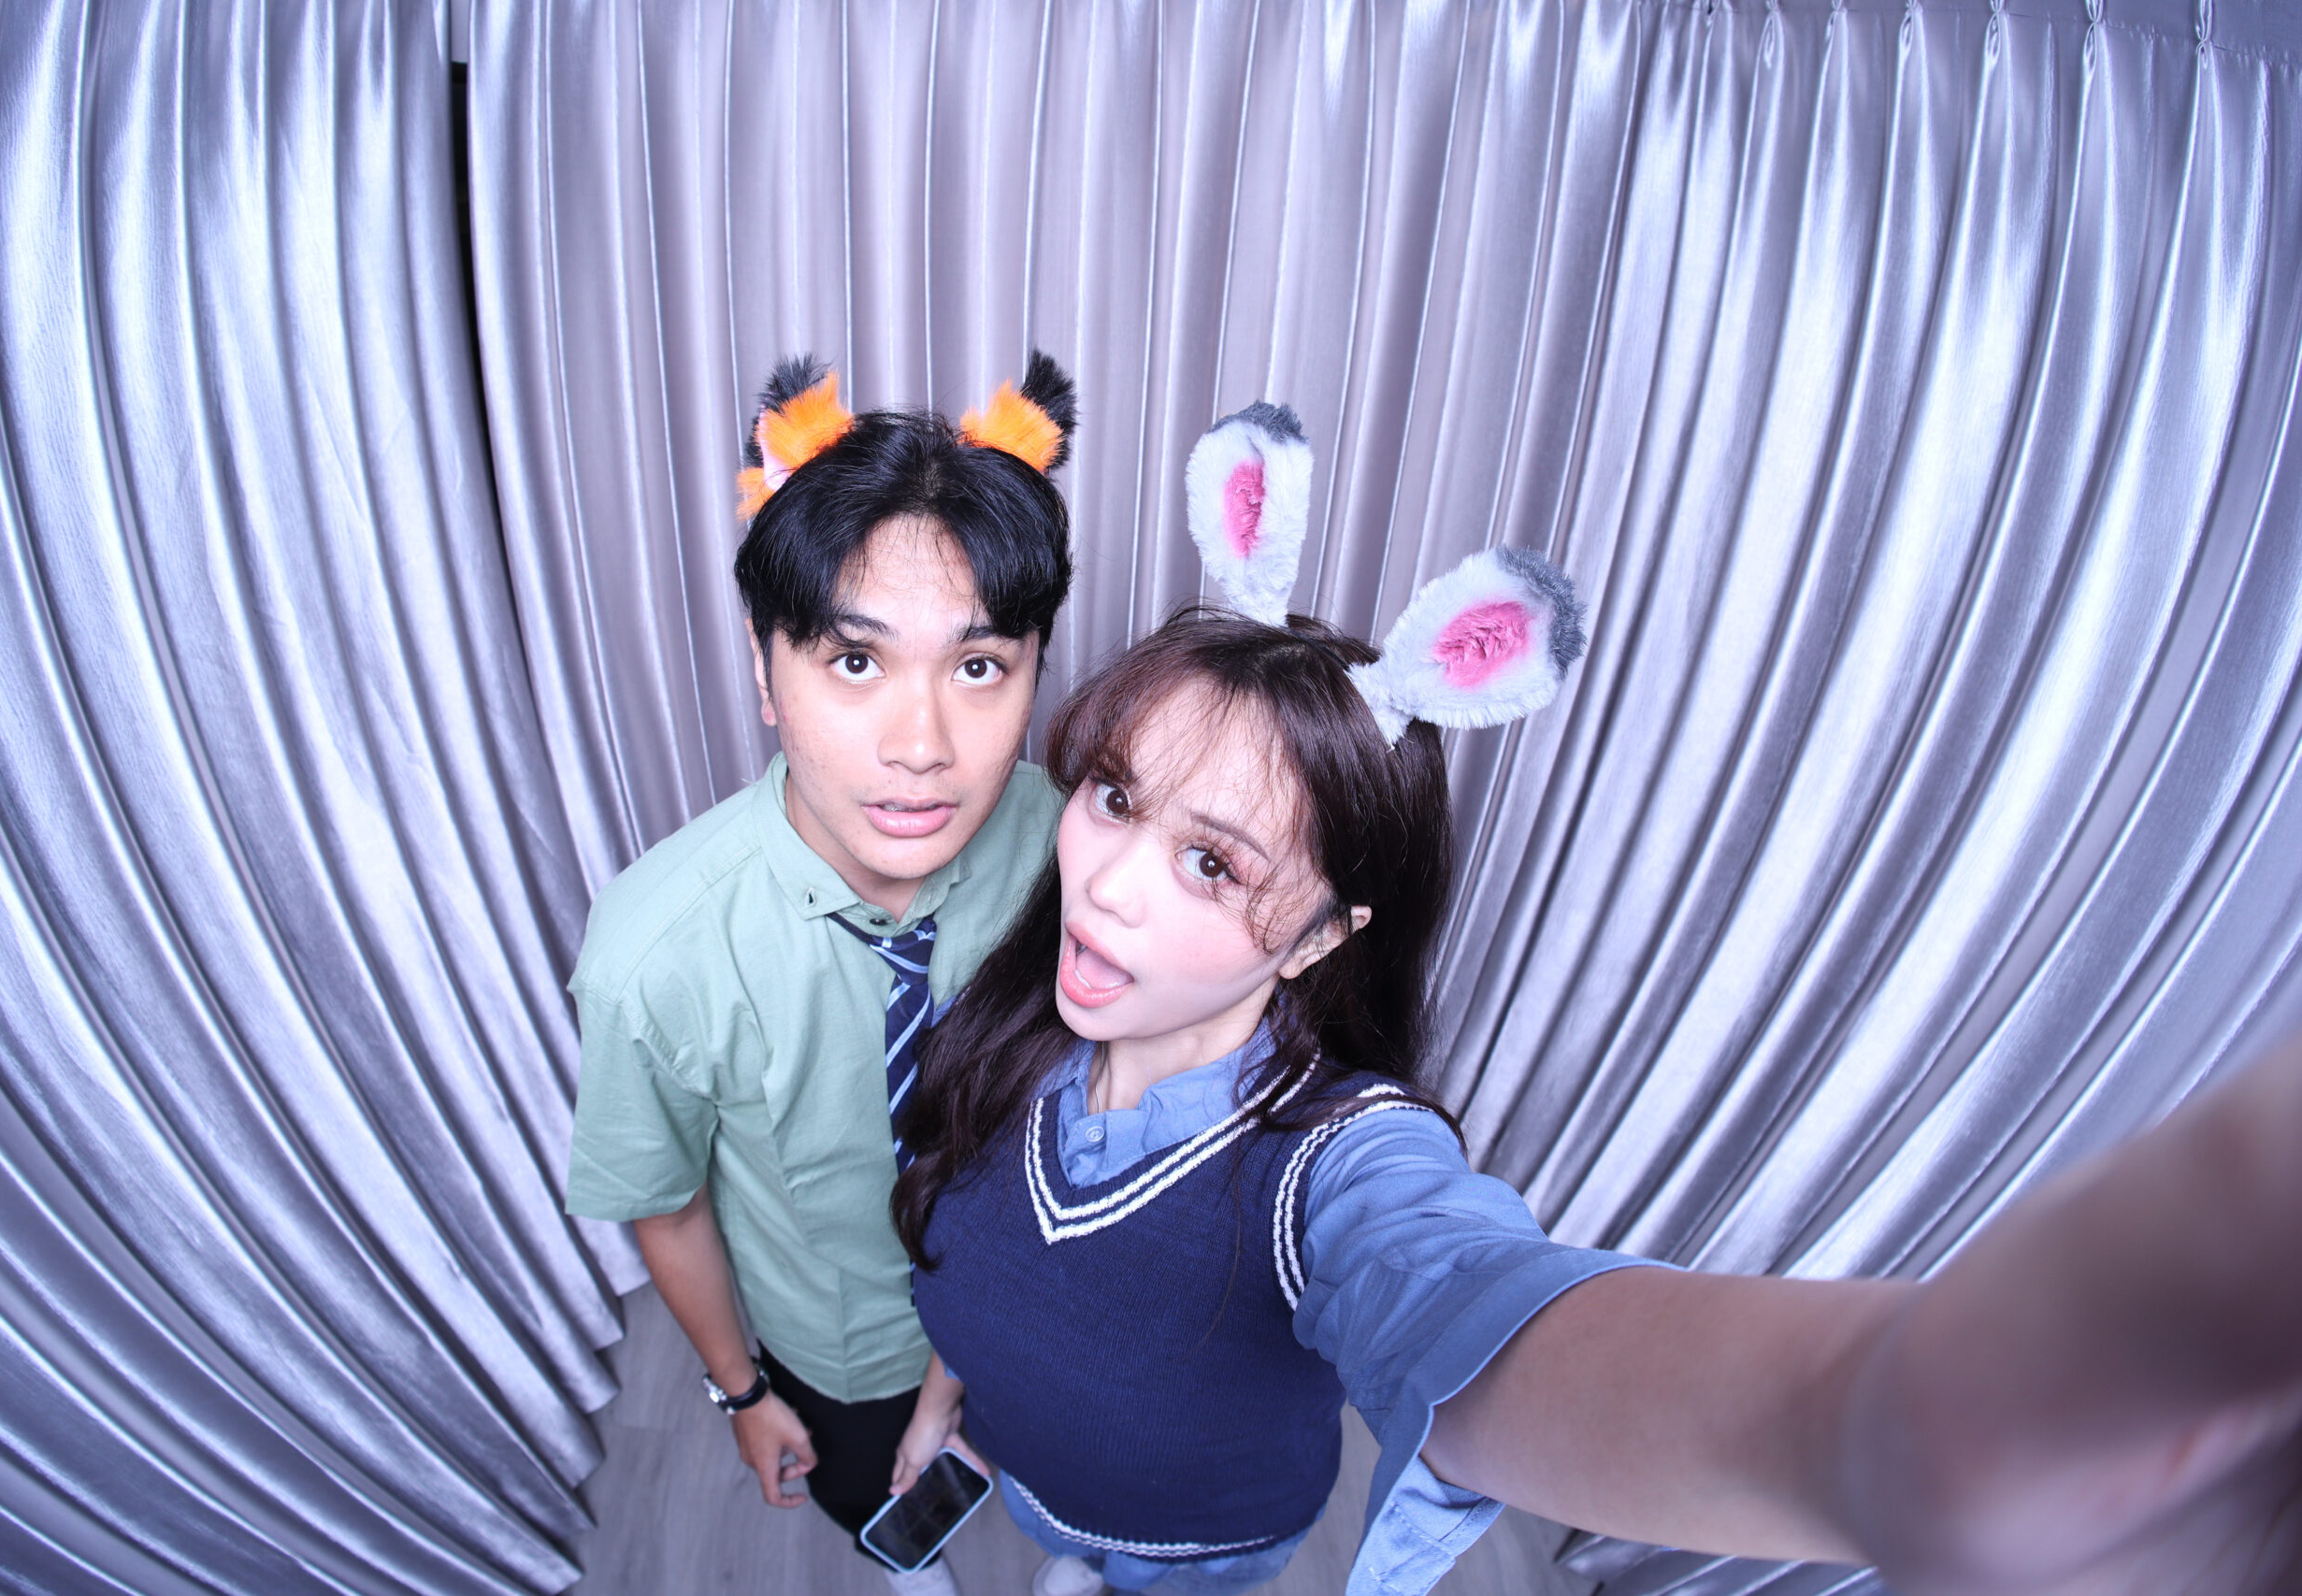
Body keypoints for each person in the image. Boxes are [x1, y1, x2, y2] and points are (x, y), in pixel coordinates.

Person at [882, 405, 2302, 1596]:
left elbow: (1466, 1301)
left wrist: (1869, 1425)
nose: (1108, 886)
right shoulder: (1010, 1019)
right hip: (1014, 1469)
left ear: (1319, 934)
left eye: (1213, 863)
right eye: (1114, 799)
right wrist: (959, 1395)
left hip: (1200, 1546)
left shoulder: (1329, 1169)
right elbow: (976, 1246)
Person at [564, 352, 1078, 1595]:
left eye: (978, 667)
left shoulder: (1068, 845)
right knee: (881, 1504)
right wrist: (740, 1390)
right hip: (845, 1348)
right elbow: (666, 1204)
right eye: (855, 662)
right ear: (765, 669)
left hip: (1039, 1292)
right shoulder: (653, 955)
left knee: (1053, 1465)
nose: (922, 747)